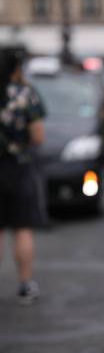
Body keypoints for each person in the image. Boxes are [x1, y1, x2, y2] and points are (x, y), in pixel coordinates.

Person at [0, 47, 47, 305]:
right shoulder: (26, 94)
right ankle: (25, 286)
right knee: (22, 228)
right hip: (18, 168)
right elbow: (39, 136)